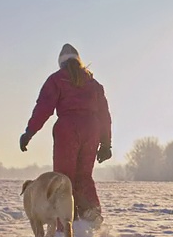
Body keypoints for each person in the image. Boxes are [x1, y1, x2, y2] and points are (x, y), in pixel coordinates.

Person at [19, 43, 112, 225]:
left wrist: (29, 132)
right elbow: (104, 115)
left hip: (67, 130)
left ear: (61, 63)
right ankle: (92, 215)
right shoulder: (94, 84)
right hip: (92, 129)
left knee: (63, 178)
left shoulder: (57, 80)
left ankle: (64, 225)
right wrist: (106, 144)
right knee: (84, 175)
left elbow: (43, 108)